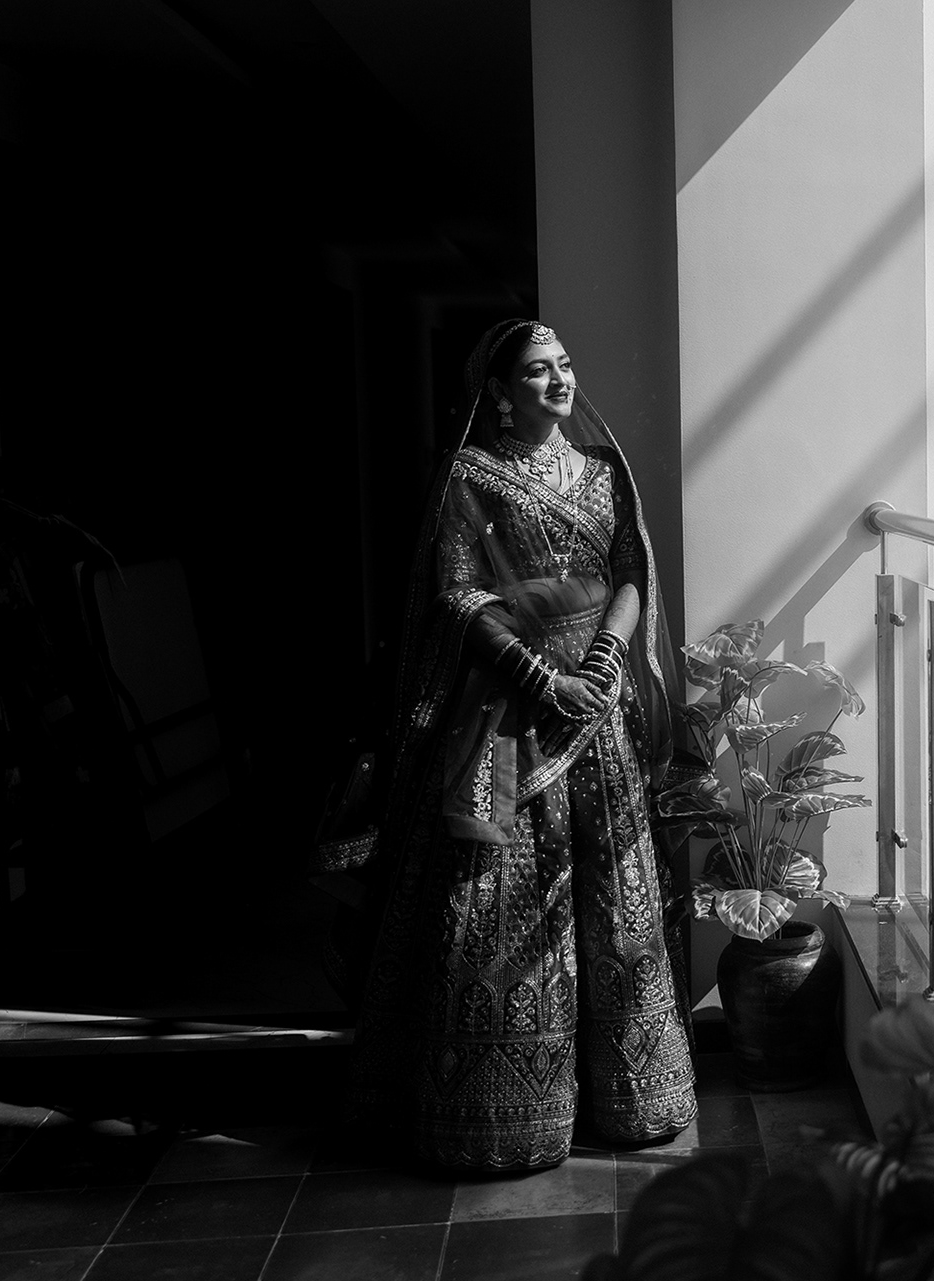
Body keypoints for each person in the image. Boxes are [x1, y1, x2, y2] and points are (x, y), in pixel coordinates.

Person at [335, 319, 696, 1170]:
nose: (560, 380)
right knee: (492, 901)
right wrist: (543, 680)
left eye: (564, 365)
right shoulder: (471, 474)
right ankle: (502, 1114)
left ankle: (631, 1097)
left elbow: (631, 571)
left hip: (596, 712)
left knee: (613, 900)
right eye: (538, 371)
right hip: (505, 719)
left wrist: (602, 661)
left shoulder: (603, 472)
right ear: (499, 392)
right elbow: (459, 597)